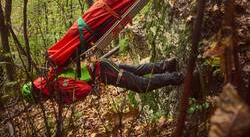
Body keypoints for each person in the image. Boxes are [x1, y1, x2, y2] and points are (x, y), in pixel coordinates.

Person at [21, 58, 183, 104]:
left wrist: (69, 98)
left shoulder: (56, 84)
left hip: (103, 71)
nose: (42, 101)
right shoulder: (51, 77)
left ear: (39, 93)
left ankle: (176, 77)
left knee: (140, 85)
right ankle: (167, 64)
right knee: (136, 70)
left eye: (39, 100)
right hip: (101, 65)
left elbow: (84, 88)